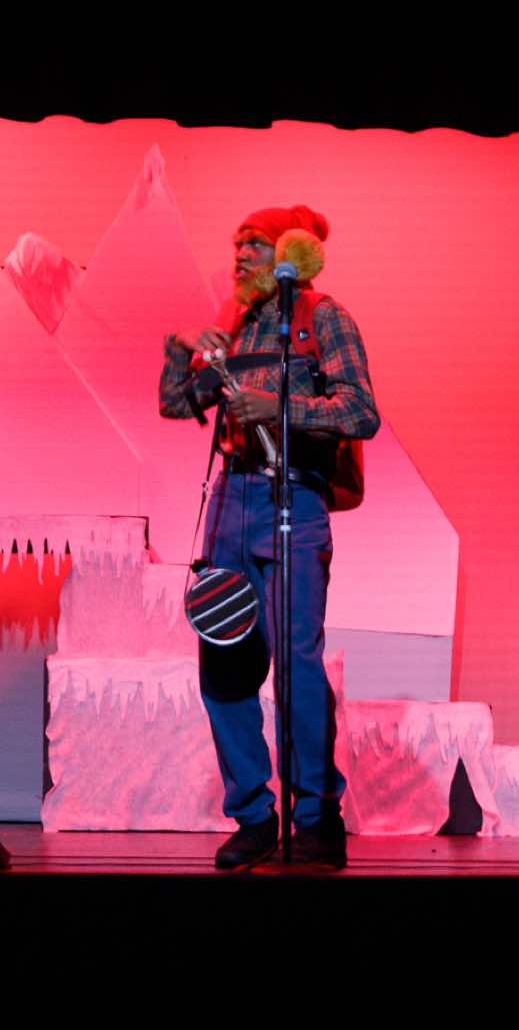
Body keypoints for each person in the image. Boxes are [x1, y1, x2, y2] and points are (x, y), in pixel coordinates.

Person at [160, 204, 379, 870]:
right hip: (232, 500)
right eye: (236, 244)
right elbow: (177, 402)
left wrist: (281, 409)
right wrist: (179, 348)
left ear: (288, 252)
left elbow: (361, 410)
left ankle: (315, 816)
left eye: (253, 244)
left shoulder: (322, 317)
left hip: (294, 496)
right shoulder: (235, 324)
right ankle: (254, 816)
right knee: (223, 658)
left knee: (296, 664)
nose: (239, 255)